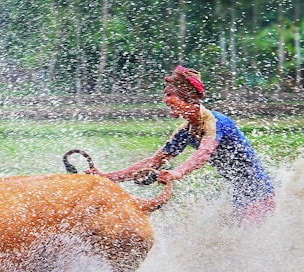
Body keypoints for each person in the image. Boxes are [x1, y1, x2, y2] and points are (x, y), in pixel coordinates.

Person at [88, 66, 275, 223]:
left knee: (247, 236)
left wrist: (178, 172)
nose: (165, 100)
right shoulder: (185, 131)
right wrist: (107, 177)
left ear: (185, 97)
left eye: (169, 95)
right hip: (239, 192)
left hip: (259, 190)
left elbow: (205, 152)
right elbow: (154, 162)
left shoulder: (215, 121)